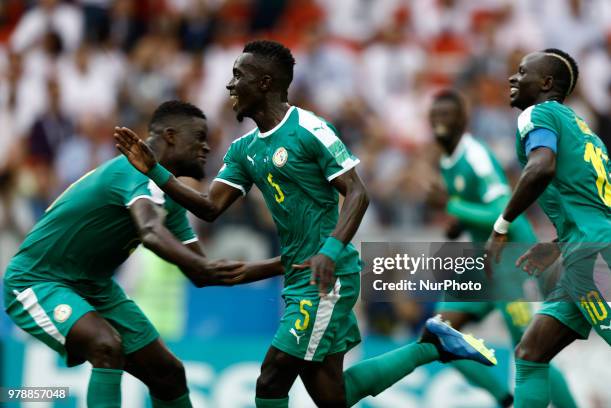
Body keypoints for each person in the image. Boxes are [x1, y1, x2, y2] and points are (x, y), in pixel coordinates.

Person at [115, 40, 497, 408]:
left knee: (272, 377)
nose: (229, 84)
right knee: (334, 396)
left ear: (264, 83)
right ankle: (431, 345)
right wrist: (156, 171)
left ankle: (432, 344)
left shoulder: (309, 129)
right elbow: (209, 207)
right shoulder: (243, 149)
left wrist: (329, 252)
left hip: (327, 276)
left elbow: (357, 193)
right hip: (299, 276)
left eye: (237, 74)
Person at [3, 100, 282, 408]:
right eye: (199, 138)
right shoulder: (131, 173)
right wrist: (204, 265)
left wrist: (286, 264)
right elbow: (150, 232)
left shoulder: (170, 197)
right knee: (105, 345)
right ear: (171, 136)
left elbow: (202, 273)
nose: (206, 147)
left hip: (94, 287)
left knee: (169, 373)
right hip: (37, 281)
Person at [428, 89, 576, 407]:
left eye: (446, 115)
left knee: (531, 351)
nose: (439, 121)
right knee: (436, 335)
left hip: (512, 260)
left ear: (463, 120)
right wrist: (458, 222)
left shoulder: (475, 156)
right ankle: (503, 398)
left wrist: (453, 205)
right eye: (435, 115)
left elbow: (501, 209)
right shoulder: (446, 160)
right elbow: (474, 210)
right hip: (484, 263)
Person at [486, 48, 611, 408]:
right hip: (586, 249)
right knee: (530, 352)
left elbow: (541, 167)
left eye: (522, 71)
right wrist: (557, 243)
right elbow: (593, 204)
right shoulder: (585, 133)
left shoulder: (536, 114)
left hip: (592, 257)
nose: (513, 77)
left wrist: (502, 225)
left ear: (545, 83)